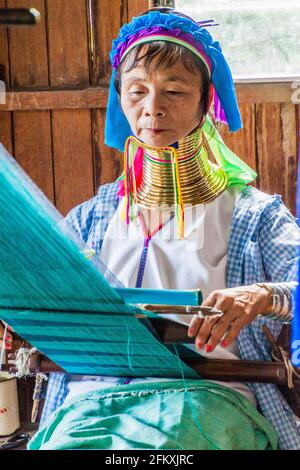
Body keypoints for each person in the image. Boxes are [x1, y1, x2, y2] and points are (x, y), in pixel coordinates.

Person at [28, 8, 300, 450]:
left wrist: (264, 296)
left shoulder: (253, 216)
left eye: (173, 91)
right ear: (121, 101)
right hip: (92, 400)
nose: (152, 108)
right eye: (136, 92)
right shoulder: (92, 218)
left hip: (211, 397)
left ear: (205, 101)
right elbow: (43, 294)